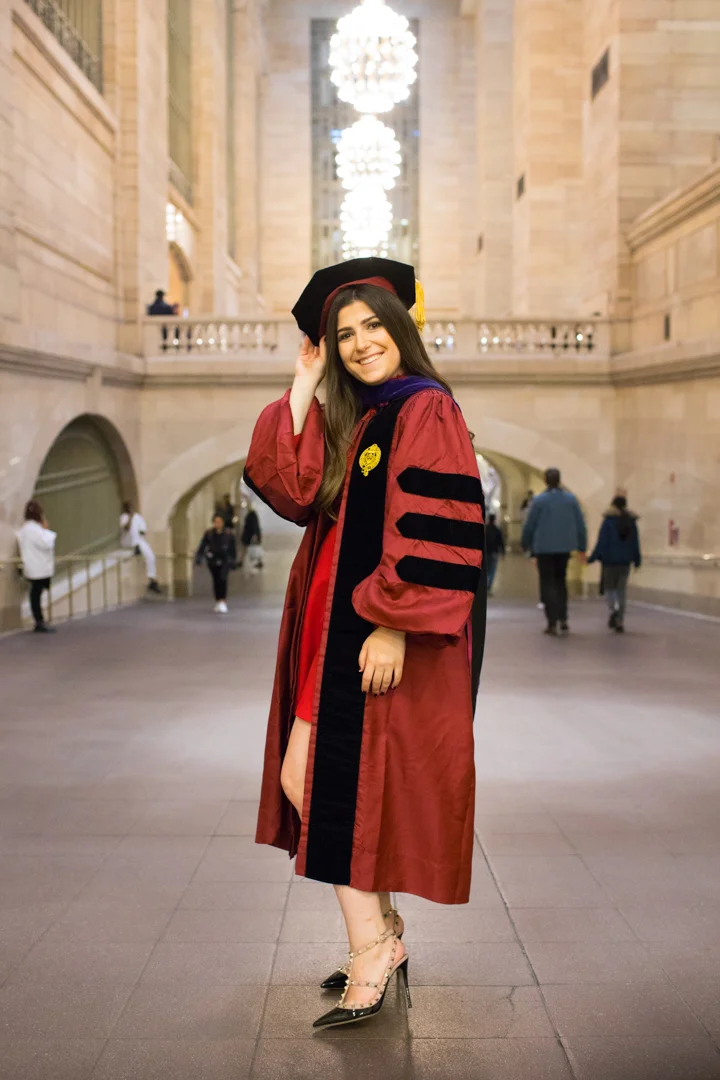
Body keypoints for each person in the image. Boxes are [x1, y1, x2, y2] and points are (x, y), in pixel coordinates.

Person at [244, 257, 487, 1031]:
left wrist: (393, 622)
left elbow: (439, 529)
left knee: (320, 782)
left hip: (374, 632)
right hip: (329, 634)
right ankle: (381, 933)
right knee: (321, 781)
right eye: (344, 334)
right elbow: (288, 487)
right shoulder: (362, 418)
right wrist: (303, 384)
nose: (360, 343)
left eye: (373, 326)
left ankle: (373, 948)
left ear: (401, 328)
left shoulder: (425, 409)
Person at [521, 467, 587, 636]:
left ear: (545, 480)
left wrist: (525, 544)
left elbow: (530, 525)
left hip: (544, 548)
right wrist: (582, 547)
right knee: (560, 581)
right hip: (564, 547)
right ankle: (563, 618)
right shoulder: (571, 500)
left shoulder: (539, 501)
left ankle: (552, 622)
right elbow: (580, 524)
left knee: (547, 583)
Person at [588, 495, 641, 633]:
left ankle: (614, 610)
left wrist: (592, 558)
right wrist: (637, 560)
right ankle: (620, 620)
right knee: (621, 590)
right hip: (625, 562)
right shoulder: (631, 522)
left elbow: (602, 542)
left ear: (613, 505)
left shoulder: (608, 522)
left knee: (609, 589)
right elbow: (635, 543)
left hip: (609, 561)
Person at [16, 501, 57, 633]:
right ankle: (39, 621)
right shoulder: (34, 529)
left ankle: (39, 620)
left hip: (33, 566)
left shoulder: (25, 529)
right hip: (38, 567)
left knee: (36, 593)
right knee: (36, 594)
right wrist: (45, 529)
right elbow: (46, 543)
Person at [195, 512, 237, 613]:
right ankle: (218, 600)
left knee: (223, 578)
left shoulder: (229, 534)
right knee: (216, 580)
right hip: (213, 560)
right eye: (216, 522)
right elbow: (202, 546)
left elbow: (233, 549)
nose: (217, 524)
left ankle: (223, 600)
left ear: (223, 522)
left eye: (219, 522)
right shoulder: (209, 533)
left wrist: (233, 560)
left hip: (225, 560)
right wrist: (199, 557)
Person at [119, 502, 162, 594]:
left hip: (139, 541)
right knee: (139, 549)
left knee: (151, 556)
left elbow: (143, 531)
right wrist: (130, 518)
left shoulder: (138, 517)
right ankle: (137, 550)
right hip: (128, 543)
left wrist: (140, 532)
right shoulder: (124, 517)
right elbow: (126, 528)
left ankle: (152, 580)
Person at [485, 512, 505, 595]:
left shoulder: (485, 529)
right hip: (494, 553)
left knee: (486, 570)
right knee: (492, 571)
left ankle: (484, 586)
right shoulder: (497, 530)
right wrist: (503, 553)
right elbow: (501, 542)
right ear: (494, 520)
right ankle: (488, 588)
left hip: (486, 553)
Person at [240, 500, 263, 572]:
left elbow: (254, 525)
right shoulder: (250, 514)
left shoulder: (252, 515)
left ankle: (259, 561)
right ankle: (241, 561)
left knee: (251, 548)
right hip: (249, 534)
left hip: (250, 535)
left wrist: (255, 535)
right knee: (245, 548)